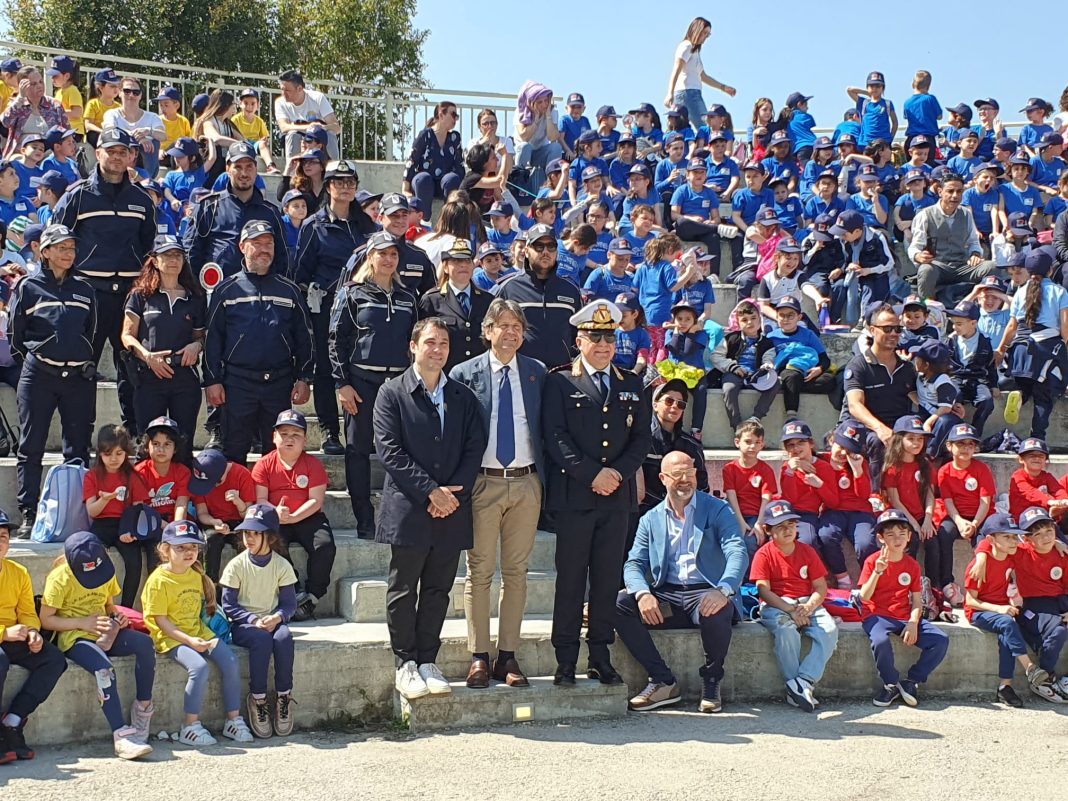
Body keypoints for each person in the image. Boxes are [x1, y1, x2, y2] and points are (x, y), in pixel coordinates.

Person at [373, 318, 486, 700]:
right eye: (430, 343)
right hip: (410, 508)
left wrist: (450, 494)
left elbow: (474, 447)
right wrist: (430, 492)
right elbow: (390, 451)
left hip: (452, 507)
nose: (437, 350)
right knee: (404, 588)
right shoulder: (392, 393)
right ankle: (405, 661)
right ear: (413, 346)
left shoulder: (462, 396)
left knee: (438, 589)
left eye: (443, 344)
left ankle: (427, 659)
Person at [542, 301, 651, 687]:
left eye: (609, 337)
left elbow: (641, 439)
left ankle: (600, 655)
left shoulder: (631, 382)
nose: (603, 345)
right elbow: (555, 437)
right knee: (571, 580)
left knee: (606, 580)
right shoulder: (559, 381)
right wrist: (592, 474)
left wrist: (617, 474)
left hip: (616, 498)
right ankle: (566, 658)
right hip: (575, 497)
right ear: (579, 340)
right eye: (595, 337)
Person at [449, 299, 546, 688]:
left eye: (517, 326)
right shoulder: (463, 373)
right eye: (502, 325)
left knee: (517, 572)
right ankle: (479, 655)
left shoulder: (537, 372)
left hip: (526, 482)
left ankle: (507, 656)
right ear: (487, 331)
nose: (510, 332)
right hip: (483, 482)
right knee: (479, 571)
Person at [615, 450, 746, 713]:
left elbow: (736, 549)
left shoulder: (717, 509)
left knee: (717, 608)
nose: (685, 479)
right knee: (619, 603)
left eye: (690, 472)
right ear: (663, 478)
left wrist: (724, 589)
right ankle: (663, 681)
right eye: (678, 474)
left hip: (707, 591)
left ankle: (712, 680)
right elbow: (634, 564)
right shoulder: (650, 519)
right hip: (669, 597)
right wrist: (642, 593)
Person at [52, 128, 156, 435]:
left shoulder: (141, 199)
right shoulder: (78, 195)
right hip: (88, 294)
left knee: (132, 368)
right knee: (84, 368)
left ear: (131, 156)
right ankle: (79, 437)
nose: (116, 157)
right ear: (99, 154)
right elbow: (56, 242)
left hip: (129, 296)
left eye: (122, 152)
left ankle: (135, 435)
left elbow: (149, 248)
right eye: (110, 151)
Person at [8, 224, 96, 538]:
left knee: (78, 449)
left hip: (76, 379)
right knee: (31, 446)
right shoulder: (28, 286)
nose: (68, 253)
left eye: (71, 248)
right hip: (38, 376)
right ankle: (30, 513)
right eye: (61, 248)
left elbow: (91, 332)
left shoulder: (85, 289)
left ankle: (75, 515)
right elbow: (15, 336)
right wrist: (36, 361)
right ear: (45, 252)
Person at [329, 230, 418, 540]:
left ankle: (400, 515)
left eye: (393, 254)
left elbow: (415, 344)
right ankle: (364, 518)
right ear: (370, 257)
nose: (389, 259)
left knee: (402, 450)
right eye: (383, 253)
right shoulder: (352, 293)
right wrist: (342, 384)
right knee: (358, 451)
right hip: (362, 383)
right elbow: (335, 340)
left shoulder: (408, 298)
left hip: (398, 385)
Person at [203, 219, 313, 466]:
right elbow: (213, 340)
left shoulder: (289, 290)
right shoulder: (226, 290)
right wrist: (212, 380)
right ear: (242, 246)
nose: (264, 249)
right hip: (237, 383)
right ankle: (236, 504)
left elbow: (304, 338)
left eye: (269, 243)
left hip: (279, 383)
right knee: (234, 452)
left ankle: (272, 505)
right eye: (257, 243)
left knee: (276, 457)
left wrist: (305, 378)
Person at [38, 531, 156, 759]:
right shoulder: (59, 578)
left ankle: (143, 707)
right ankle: (121, 736)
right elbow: (46, 619)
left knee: (145, 644)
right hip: (75, 637)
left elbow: (109, 605)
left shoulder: (105, 569)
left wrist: (117, 617)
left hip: (105, 632)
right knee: (104, 669)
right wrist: (82, 622)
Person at [141, 520, 254, 746]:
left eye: (193, 547)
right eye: (180, 547)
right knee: (199, 667)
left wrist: (200, 637)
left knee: (230, 661)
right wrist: (190, 641)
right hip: (171, 638)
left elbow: (198, 611)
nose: (188, 552)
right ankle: (190, 725)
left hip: (197, 631)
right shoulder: (158, 581)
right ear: (165, 550)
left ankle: (233, 720)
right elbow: (161, 621)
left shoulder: (195, 575)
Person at [294, 159, 377, 455]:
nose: (345, 188)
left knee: (359, 369)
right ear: (328, 186)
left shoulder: (368, 226)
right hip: (326, 308)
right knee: (328, 370)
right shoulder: (312, 226)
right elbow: (300, 273)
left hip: (363, 308)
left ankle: (365, 431)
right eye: (339, 182)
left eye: (350, 182)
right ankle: (330, 430)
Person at [971, 506, 1068, 703]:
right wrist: (981, 556)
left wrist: (1059, 541)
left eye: (1049, 531)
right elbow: (987, 538)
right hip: (1036, 604)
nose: (1046, 538)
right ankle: (1044, 678)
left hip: (1062, 599)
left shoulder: (1062, 551)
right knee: (1059, 631)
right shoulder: (1020, 552)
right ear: (1027, 539)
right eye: (1037, 534)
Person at [750, 499, 838, 713]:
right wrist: (789, 610)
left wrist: (808, 607)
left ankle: (802, 683)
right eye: (780, 526)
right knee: (786, 631)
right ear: (768, 530)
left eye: (791, 524)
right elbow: (764, 591)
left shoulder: (807, 551)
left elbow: (820, 587)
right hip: (778, 604)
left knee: (830, 630)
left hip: (806, 602)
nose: (788, 529)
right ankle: (796, 686)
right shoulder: (763, 554)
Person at [220, 503, 299, 738]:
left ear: (271, 537)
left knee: (284, 637)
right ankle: (258, 699)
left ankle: (284, 696)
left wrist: (278, 617)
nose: (249, 538)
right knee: (262, 641)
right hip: (244, 625)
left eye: (256, 533)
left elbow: (289, 604)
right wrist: (253, 620)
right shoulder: (236, 565)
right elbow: (229, 605)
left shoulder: (282, 565)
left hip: (272, 620)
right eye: (246, 533)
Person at [858, 509, 950, 708]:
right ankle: (890, 683)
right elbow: (864, 597)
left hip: (903, 615)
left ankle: (911, 681)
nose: (897, 539)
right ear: (881, 538)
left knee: (940, 640)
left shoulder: (912, 565)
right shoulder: (873, 561)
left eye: (902, 534)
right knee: (881, 641)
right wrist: (877, 572)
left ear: (909, 537)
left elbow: (917, 601)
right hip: (876, 615)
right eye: (890, 535)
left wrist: (913, 623)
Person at [251, 410, 334, 622]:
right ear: (274, 437)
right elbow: (260, 499)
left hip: (308, 516)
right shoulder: (264, 464)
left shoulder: (313, 464)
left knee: (324, 546)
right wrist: (276, 513)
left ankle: (313, 596)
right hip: (274, 515)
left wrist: (295, 516)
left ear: (305, 440)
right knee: (273, 543)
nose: (289, 438)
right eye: (284, 433)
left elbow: (316, 500)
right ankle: (294, 591)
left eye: (296, 434)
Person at [120, 235, 206, 438]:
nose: (174, 260)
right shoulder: (140, 295)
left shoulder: (195, 297)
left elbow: (200, 336)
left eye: (178, 255)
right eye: (167, 255)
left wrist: (196, 346)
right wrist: (147, 356)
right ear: (155, 260)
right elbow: (127, 335)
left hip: (184, 377)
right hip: (150, 375)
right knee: (148, 443)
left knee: (183, 444)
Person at [0, 508, 67, 762]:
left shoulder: (18, 572)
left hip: (16, 636)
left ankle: (13, 721)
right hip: (3, 637)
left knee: (54, 660)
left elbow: (28, 611)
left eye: (3, 537)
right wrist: (4, 632)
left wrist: (32, 632)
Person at [184, 141, 289, 282]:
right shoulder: (208, 207)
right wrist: (197, 291)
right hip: (216, 293)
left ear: (256, 169)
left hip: (259, 295)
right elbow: (191, 252)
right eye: (238, 167)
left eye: (249, 167)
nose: (244, 173)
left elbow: (282, 257)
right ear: (228, 169)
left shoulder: (271, 212)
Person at [996, 249, 1068, 440]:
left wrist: (1001, 350)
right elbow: (1065, 325)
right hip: (1046, 348)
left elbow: (1012, 325)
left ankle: (1020, 395)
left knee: (1026, 385)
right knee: (1044, 396)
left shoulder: (1020, 291)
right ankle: (1037, 437)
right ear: (1051, 270)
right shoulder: (1059, 291)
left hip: (1020, 349)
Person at [842, 302, 918, 484]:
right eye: (887, 329)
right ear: (872, 330)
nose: (893, 334)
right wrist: (880, 428)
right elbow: (855, 405)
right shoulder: (858, 365)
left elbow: (920, 397)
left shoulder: (907, 367)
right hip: (863, 427)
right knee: (877, 441)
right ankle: (876, 497)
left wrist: (950, 405)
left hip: (896, 427)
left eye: (898, 329)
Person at [494, 223, 583, 369]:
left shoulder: (571, 290)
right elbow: (491, 331)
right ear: (527, 251)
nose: (545, 252)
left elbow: (581, 332)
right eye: (539, 246)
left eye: (551, 246)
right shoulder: (508, 288)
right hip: (520, 373)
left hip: (562, 374)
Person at [84, 425, 152, 607]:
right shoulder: (93, 476)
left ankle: (126, 608)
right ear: (99, 454)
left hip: (125, 523)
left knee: (134, 562)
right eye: (108, 454)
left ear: (126, 453)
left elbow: (138, 508)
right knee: (93, 557)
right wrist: (105, 500)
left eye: (119, 453)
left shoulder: (133, 476)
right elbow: (92, 511)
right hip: (101, 524)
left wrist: (129, 530)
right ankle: (99, 604)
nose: (114, 459)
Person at [931, 423, 994, 605]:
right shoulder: (944, 471)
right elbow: (948, 501)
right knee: (943, 533)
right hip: (956, 515)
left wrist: (974, 524)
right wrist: (959, 522)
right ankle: (946, 583)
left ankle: (988, 584)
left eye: (970, 445)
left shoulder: (981, 469)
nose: (966, 448)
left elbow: (985, 501)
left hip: (981, 516)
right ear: (949, 446)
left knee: (985, 540)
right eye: (961, 444)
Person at [907, 172, 996, 300]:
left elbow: (973, 242)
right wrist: (918, 256)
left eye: (959, 192)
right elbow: (914, 247)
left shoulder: (966, 214)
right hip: (938, 265)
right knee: (926, 270)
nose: (955, 196)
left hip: (962, 266)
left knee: (991, 266)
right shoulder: (925, 215)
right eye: (950, 191)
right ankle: (928, 307)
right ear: (940, 192)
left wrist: (975, 254)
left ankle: (980, 303)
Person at [639, 380, 709, 519]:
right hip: (645, 514)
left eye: (680, 404)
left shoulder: (692, 445)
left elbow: (702, 485)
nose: (675, 407)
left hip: (684, 515)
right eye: (669, 401)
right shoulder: (639, 440)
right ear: (655, 404)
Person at [419, 240, 491, 373]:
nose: (463, 265)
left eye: (467, 261)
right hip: (445, 375)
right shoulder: (432, 300)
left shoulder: (488, 300)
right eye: (457, 261)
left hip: (480, 375)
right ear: (445, 267)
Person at [189, 448, 257, 582]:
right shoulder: (199, 481)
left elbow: (248, 515)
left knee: (247, 542)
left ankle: (246, 584)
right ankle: (211, 587)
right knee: (210, 540)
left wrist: (238, 502)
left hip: (240, 521)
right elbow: (202, 513)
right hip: (213, 521)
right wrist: (214, 522)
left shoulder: (241, 474)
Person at [722, 419, 777, 566]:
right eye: (748, 441)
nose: (753, 446)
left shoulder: (766, 470)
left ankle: (750, 580)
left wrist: (759, 523)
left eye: (757, 442)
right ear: (737, 442)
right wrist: (740, 521)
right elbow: (731, 496)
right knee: (736, 539)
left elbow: (766, 498)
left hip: (757, 515)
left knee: (751, 541)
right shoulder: (729, 469)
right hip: (736, 513)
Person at [664, 17, 735, 122]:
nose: (706, 37)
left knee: (683, 127)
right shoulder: (687, 46)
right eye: (704, 33)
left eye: (708, 34)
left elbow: (703, 76)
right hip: (688, 93)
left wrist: (723, 87)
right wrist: (669, 93)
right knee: (704, 127)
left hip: (691, 92)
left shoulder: (694, 51)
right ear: (697, 30)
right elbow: (676, 69)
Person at [403, 101, 465, 217]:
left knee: (452, 178)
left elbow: (459, 165)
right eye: (453, 115)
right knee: (423, 178)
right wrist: (405, 188)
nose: (455, 119)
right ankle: (424, 219)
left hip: (444, 184)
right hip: (426, 183)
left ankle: (450, 218)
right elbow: (412, 160)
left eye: (457, 116)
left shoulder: (454, 138)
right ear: (441, 115)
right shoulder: (425, 135)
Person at [102, 77, 165, 178]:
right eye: (127, 91)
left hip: (145, 162)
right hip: (121, 158)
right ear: (119, 92)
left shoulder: (152, 117)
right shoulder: (111, 114)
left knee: (154, 141)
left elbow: (163, 135)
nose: (131, 95)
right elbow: (110, 131)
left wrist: (148, 132)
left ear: (140, 95)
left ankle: (145, 180)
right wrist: (138, 138)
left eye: (136, 92)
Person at [0, 66, 68, 159]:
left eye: (41, 82)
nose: (39, 86)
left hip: (49, 154)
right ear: (23, 86)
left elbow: (67, 132)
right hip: (22, 154)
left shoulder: (55, 105)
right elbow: (5, 122)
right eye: (33, 84)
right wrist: (20, 98)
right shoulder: (17, 104)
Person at [274, 69, 341, 163]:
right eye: (282, 89)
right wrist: (310, 127)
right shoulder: (280, 102)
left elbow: (336, 127)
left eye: (287, 90)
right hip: (297, 138)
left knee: (330, 134)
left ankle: (333, 169)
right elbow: (284, 127)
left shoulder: (318, 98)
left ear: (300, 89)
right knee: (292, 135)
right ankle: (293, 172)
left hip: (318, 137)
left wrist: (321, 128)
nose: (283, 94)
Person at [512, 82, 566, 196]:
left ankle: (551, 184)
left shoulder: (552, 112)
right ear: (531, 102)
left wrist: (547, 116)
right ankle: (520, 184)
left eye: (546, 101)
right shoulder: (520, 112)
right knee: (525, 146)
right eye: (540, 102)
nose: (544, 104)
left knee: (556, 147)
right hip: (523, 153)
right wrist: (536, 118)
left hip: (540, 152)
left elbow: (553, 137)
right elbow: (524, 137)